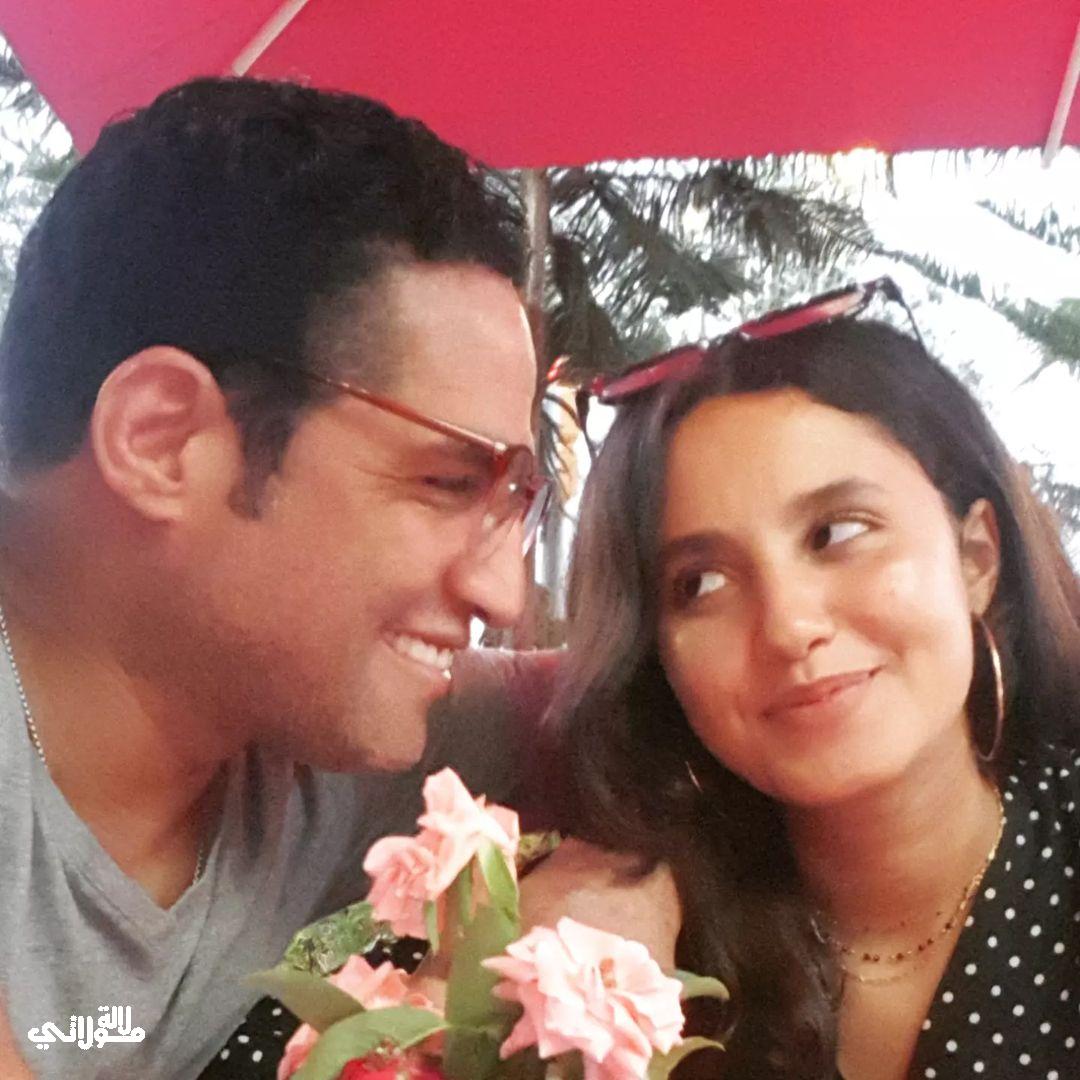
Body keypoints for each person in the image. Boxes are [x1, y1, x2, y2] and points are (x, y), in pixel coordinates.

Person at [0, 75, 678, 1080]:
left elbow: (662, 717)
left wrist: (616, 903)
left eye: (514, 503)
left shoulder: (331, 731)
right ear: (162, 440)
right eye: (447, 480)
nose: (503, 596)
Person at [543, 279, 1080, 1079]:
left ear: (975, 558)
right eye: (702, 584)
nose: (790, 628)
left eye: (837, 533)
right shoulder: (601, 935)